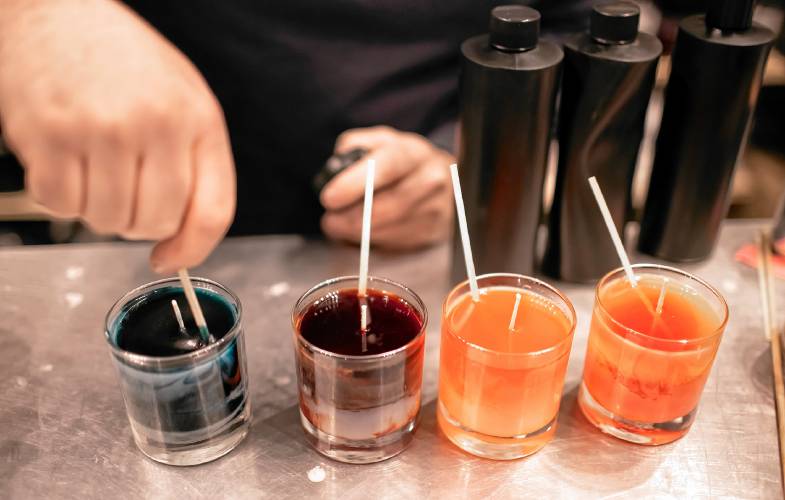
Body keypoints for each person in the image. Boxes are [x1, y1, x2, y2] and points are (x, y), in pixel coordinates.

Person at [0, 1, 590, 273]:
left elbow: (565, 29)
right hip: (143, 196)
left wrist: (465, 154)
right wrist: (33, 12)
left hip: (423, 227)